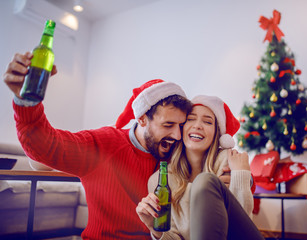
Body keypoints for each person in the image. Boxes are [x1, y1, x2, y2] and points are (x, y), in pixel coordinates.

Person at [3, 52, 193, 239]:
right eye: (168, 125)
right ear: (142, 119)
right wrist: (26, 101)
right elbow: (44, 146)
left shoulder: (176, 153)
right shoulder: (105, 144)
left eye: (181, 125)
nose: (177, 135)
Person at [136, 95, 264, 240]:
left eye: (207, 121)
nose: (197, 125)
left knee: (204, 181)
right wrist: (154, 228)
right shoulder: (160, 181)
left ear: (216, 133)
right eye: (191, 119)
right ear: (182, 128)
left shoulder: (228, 162)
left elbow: (242, 226)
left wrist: (241, 174)